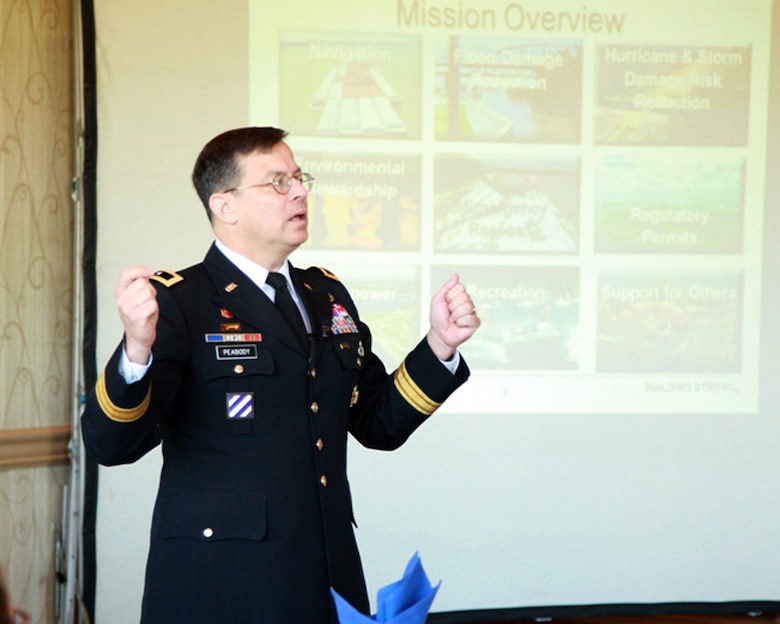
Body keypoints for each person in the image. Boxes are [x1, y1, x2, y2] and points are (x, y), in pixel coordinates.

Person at [81, 126, 480, 623]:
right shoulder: (180, 302)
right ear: (225, 205)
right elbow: (111, 446)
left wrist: (440, 345)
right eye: (277, 182)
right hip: (222, 585)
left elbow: (379, 424)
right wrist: (137, 348)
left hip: (326, 577)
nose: (299, 191)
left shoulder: (326, 295)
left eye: (299, 177)